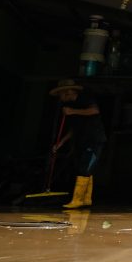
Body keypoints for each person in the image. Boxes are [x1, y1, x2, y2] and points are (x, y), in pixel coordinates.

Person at [49, 79, 106, 209]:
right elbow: (74, 129)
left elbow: (94, 110)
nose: (60, 98)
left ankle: (77, 200)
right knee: (85, 168)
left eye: (61, 94)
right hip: (82, 140)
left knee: (84, 168)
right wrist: (61, 143)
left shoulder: (84, 98)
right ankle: (86, 199)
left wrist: (72, 111)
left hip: (94, 140)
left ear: (68, 92)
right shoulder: (71, 106)